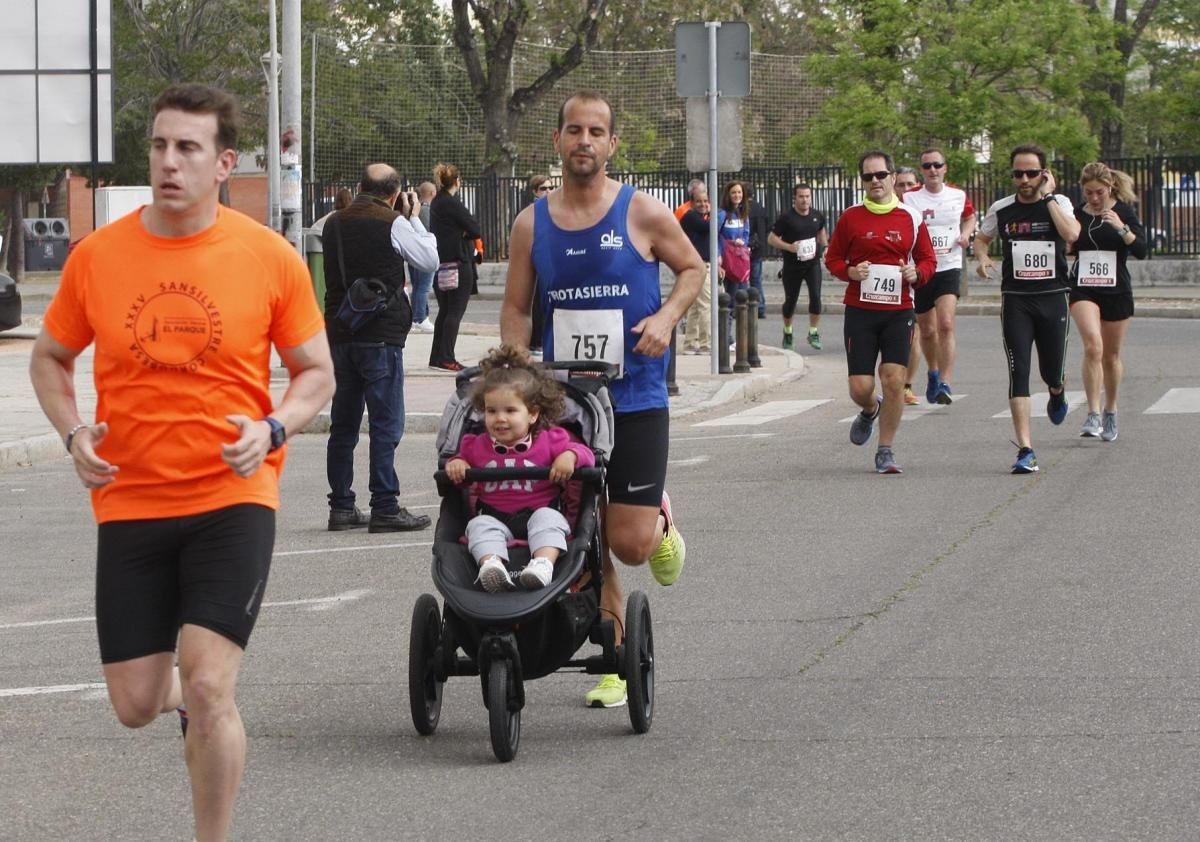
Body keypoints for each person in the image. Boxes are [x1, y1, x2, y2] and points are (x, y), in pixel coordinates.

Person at [28, 83, 335, 842]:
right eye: (160, 146)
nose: (169, 162)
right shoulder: (98, 256)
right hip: (130, 499)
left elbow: (316, 372)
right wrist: (73, 435)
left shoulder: (266, 256)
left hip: (233, 495)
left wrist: (273, 426)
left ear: (224, 163)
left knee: (208, 682)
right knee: (137, 704)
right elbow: (49, 358)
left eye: (188, 148)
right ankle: (183, 706)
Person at [500, 89, 703, 707]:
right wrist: (514, 369)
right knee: (579, 529)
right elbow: (514, 307)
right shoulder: (531, 221)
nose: (584, 141)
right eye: (573, 130)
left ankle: (658, 516)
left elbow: (694, 269)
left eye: (596, 131)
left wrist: (667, 318)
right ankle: (613, 654)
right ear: (557, 141)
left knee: (630, 542)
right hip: (564, 404)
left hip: (635, 395)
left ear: (612, 144)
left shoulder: (642, 211)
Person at [323, 163, 439, 533]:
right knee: (386, 424)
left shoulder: (333, 222)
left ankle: (341, 506)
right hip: (380, 334)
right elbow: (429, 261)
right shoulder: (394, 223)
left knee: (343, 424)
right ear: (394, 194)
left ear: (359, 186)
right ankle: (385, 505)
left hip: (341, 331)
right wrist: (415, 219)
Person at [444, 344, 597, 592]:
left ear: (533, 414)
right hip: (494, 518)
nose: (500, 418)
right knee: (478, 526)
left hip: (539, 513)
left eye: (510, 411)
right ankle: (491, 565)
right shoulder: (475, 446)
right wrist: (458, 465)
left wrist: (569, 456)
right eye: (491, 411)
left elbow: (587, 455)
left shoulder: (551, 440)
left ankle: (543, 565)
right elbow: (458, 472)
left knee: (549, 520)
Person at [824, 150, 936, 475]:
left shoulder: (911, 217)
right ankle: (870, 409)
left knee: (893, 379)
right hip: (860, 311)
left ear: (891, 177)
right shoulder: (850, 217)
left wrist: (918, 274)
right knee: (860, 387)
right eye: (868, 177)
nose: (875, 181)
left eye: (880, 175)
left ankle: (885, 449)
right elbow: (832, 259)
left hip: (898, 312)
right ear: (863, 181)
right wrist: (850, 272)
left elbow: (928, 260)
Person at [974, 143, 1081, 473]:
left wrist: (1048, 198)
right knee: (1018, 370)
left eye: (1031, 173)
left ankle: (1057, 389)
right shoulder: (1002, 208)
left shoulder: (1059, 203)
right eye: (1018, 173)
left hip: (1054, 296)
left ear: (1044, 174)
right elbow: (981, 238)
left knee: (1052, 369)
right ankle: (1026, 449)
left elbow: (1072, 234)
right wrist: (981, 257)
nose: (1024, 179)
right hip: (1017, 299)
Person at [1069, 162, 1146, 442]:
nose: (1094, 198)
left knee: (1111, 356)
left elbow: (1142, 250)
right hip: (1084, 288)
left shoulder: (1123, 211)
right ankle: (1092, 412)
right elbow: (1067, 243)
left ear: (1109, 187)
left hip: (1116, 290)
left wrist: (1121, 228)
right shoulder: (1077, 214)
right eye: (1088, 193)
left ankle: (1110, 411)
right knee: (1093, 346)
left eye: (1099, 192)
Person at [903, 149, 977, 407]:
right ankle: (933, 372)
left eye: (937, 165)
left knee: (945, 324)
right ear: (921, 170)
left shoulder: (957, 195)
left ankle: (945, 382)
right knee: (928, 329)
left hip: (948, 265)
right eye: (927, 166)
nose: (932, 170)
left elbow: (969, 216)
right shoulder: (910, 198)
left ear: (945, 168)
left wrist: (966, 234)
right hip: (923, 268)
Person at [429, 162, 482, 372]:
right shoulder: (452, 203)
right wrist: (464, 233)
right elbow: (475, 228)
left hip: (443, 263)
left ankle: (437, 356)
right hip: (459, 263)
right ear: (457, 181)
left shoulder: (437, 202)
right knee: (455, 311)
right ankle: (447, 357)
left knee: (445, 311)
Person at [767, 183, 827, 351]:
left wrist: (826, 246)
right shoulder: (787, 218)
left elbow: (821, 231)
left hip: (812, 264)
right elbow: (771, 238)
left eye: (807, 196)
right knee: (790, 300)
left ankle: (813, 332)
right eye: (801, 196)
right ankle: (788, 331)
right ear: (795, 198)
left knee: (816, 297)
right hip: (792, 265)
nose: (804, 200)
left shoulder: (817, 215)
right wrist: (789, 247)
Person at [678, 186, 724, 354]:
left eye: (706, 201)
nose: (703, 204)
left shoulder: (701, 217)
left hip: (704, 264)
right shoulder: (690, 217)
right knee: (706, 305)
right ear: (692, 203)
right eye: (699, 201)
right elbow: (708, 228)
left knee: (696, 307)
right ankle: (707, 344)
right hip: (699, 265)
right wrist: (718, 215)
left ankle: (690, 343)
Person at [892, 166, 923, 405]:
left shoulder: (921, 210)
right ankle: (895, 382)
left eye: (909, 184)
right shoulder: (888, 211)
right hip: (892, 285)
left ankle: (907, 384)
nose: (905, 190)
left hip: (921, 278)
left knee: (920, 334)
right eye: (900, 184)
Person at [527, 174, 553, 355]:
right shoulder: (534, 210)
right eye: (544, 188)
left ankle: (540, 339)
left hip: (550, 261)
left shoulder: (550, 209)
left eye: (550, 188)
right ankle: (535, 341)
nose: (548, 191)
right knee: (536, 304)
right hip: (537, 261)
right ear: (535, 191)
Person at [409, 180, 438, 333]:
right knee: (423, 287)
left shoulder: (414, 209)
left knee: (417, 287)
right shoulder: (427, 210)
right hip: (424, 253)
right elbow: (429, 232)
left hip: (413, 253)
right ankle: (420, 317)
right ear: (432, 193)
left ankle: (416, 317)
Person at [745, 183, 770, 318]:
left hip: (746, 247)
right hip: (759, 248)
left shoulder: (743, 209)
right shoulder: (760, 208)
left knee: (743, 279)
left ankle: (746, 305)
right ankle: (760, 306)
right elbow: (767, 227)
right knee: (756, 279)